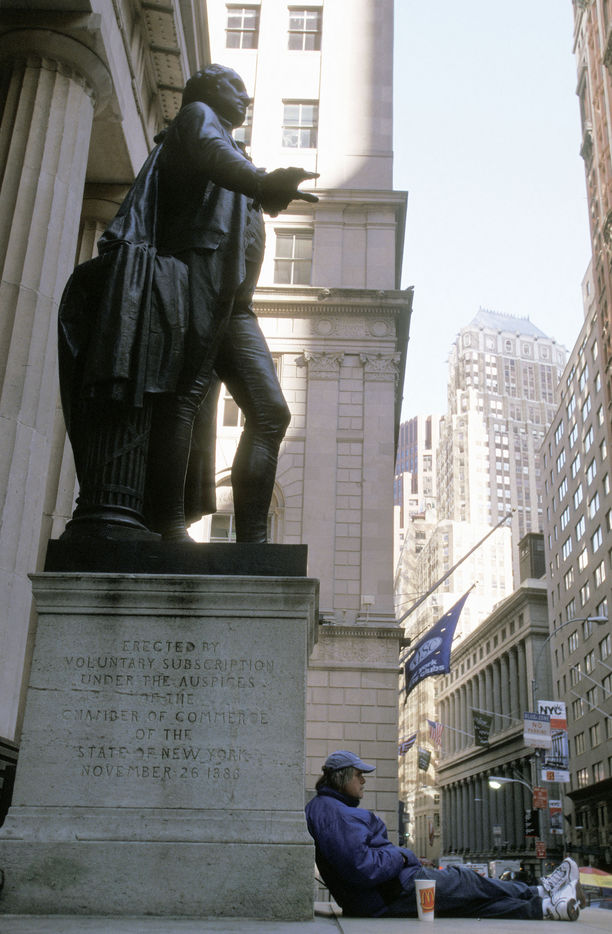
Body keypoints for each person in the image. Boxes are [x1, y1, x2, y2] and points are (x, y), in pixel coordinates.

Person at [58, 64, 317, 543]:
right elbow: (214, 157)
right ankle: (170, 527)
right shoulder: (198, 117)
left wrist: (263, 190)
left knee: (270, 412)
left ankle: (253, 544)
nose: (245, 97)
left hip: (234, 301)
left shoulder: (229, 145)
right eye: (234, 87)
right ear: (206, 90)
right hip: (195, 277)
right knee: (183, 398)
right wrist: (262, 184)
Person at [305, 750, 585, 921]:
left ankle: (546, 908)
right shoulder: (334, 814)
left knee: (471, 905)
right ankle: (541, 890)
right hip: (391, 892)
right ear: (342, 777)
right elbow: (363, 867)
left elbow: (360, 862)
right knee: (466, 880)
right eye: (358, 775)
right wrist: (401, 856)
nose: (363, 780)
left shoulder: (330, 809)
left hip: (380, 897)